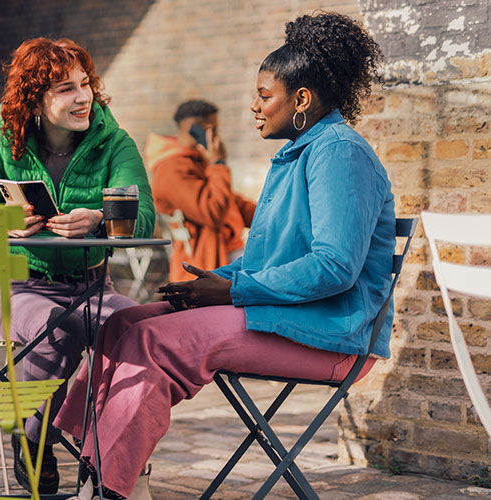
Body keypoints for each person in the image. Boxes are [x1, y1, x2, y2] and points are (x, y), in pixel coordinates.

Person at [54, 12, 394, 500]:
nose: (253, 107)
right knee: (121, 324)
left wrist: (234, 289)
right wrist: (211, 282)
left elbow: (335, 267)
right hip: (286, 314)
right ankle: (108, 467)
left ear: (301, 99)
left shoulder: (339, 152)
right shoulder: (298, 152)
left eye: (263, 95)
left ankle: (112, 487)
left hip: (334, 334)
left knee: (154, 341)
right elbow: (268, 259)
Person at [0, 37, 155, 494]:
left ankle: (110, 458)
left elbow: (144, 216)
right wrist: (0, 219)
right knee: (55, 327)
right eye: (65, 88)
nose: (82, 97)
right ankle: (36, 442)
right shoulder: (3, 139)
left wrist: (102, 218)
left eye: (85, 84)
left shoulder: (114, 141)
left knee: (138, 330)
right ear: (34, 100)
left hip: (94, 287)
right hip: (21, 287)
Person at [144, 100, 256, 281]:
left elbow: (230, 200)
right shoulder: (171, 169)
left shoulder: (197, 159)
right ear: (191, 127)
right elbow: (212, 211)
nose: (216, 137)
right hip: (208, 259)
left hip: (231, 249)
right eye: (212, 129)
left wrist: (272, 217)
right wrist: (218, 164)